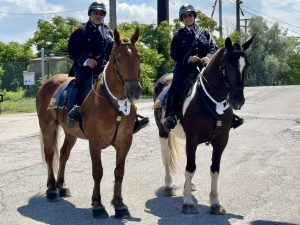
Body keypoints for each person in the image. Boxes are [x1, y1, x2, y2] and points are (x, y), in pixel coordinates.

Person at [67, 1, 149, 133]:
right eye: (95, 13)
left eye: (101, 13)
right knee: (80, 83)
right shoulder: (80, 31)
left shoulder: (108, 32)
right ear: (90, 14)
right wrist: (86, 60)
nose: (98, 15)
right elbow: (71, 50)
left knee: (122, 84)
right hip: (85, 68)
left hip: (104, 67)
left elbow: (114, 52)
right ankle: (72, 111)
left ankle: (132, 117)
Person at [163, 4, 244, 132]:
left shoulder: (205, 33)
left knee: (221, 83)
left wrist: (208, 57)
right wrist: (188, 59)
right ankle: (171, 115)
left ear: (194, 16)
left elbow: (214, 48)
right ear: (182, 19)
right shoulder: (178, 35)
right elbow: (174, 54)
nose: (188, 18)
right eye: (185, 16)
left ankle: (230, 115)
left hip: (203, 67)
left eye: (190, 15)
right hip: (184, 68)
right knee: (175, 85)